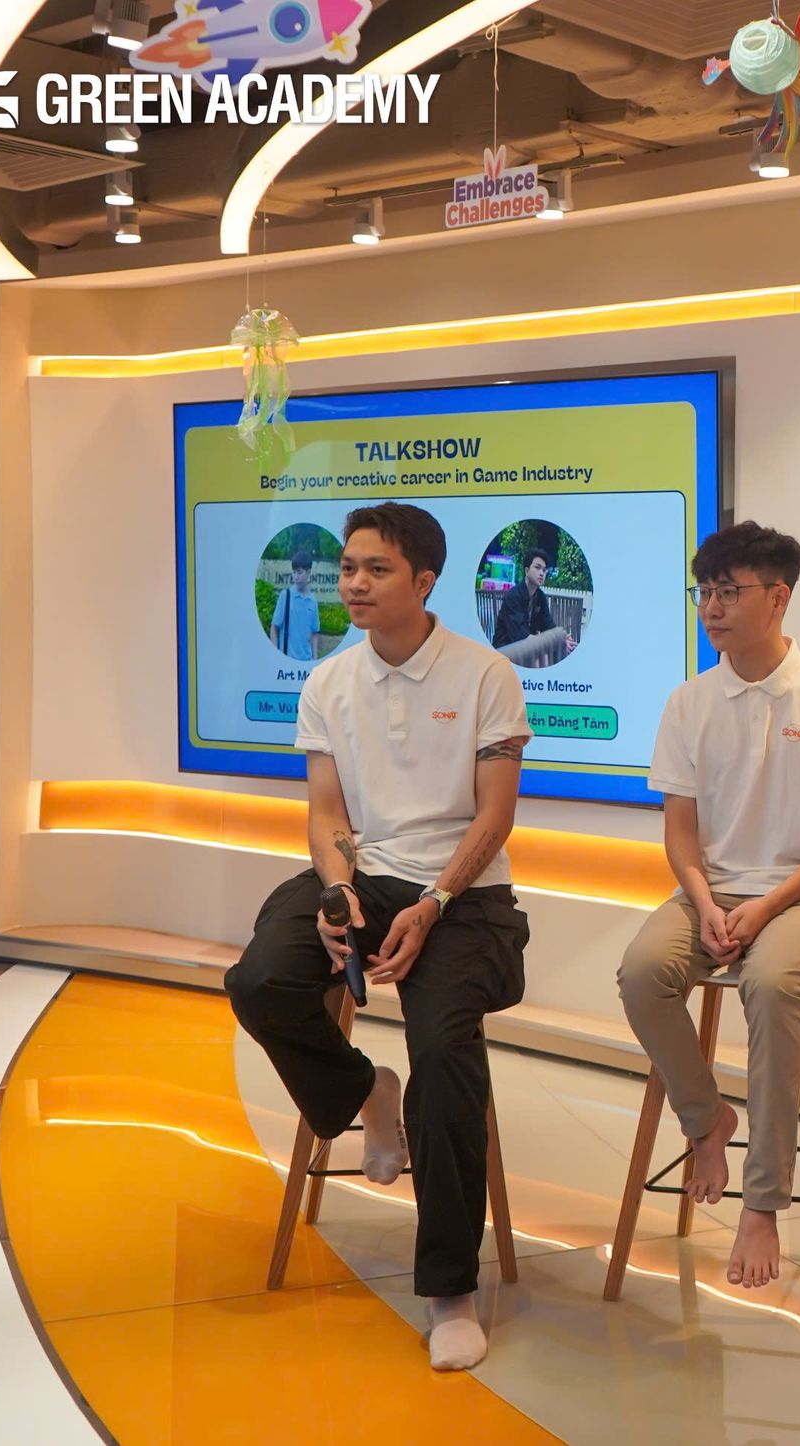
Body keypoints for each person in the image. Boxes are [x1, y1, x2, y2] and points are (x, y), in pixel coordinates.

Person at [225, 502, 532, 1373]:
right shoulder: (329, 682)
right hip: (364, 873)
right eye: (349, 569)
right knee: (260, 981)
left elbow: (495, 817)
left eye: (376, 569)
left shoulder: (485, 675)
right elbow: (326, 814)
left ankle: (449, 1291)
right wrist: (334, 895)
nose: (354, 583)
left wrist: (432, 902)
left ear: (425, 581)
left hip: (465, 896)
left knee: (446, 1055)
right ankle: (368, 1093)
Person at [617, 521, 800, 1291]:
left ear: (777, 597)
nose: (712, 607)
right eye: (704, 591)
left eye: (728, 592)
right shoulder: (689, 702)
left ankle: (762, 1202)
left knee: (770, 985)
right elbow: (679, 831)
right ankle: (707, 1121)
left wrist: (766, 906)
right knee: (641, 973)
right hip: (710, 892)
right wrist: (705, 902)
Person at [491, 547, 578, 658]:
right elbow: (521, 637)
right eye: (537, 568)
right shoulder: (513, 596)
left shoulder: (540, 597)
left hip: (526, 651)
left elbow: (548, 626)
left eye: (544, 570)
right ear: (527, 571)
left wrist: (561, 638)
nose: (541, 573)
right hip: (504, 651)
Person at [271, 549, 321, 660]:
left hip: (306, 661)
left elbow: (314, 633)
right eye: (294, 572)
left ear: (308, 573)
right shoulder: (286, 596)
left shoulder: (312, 601)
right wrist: (276, 655)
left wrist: (315, 658)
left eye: (299, 572)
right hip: (287, 660)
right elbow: (274, 628)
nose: (295, 577)